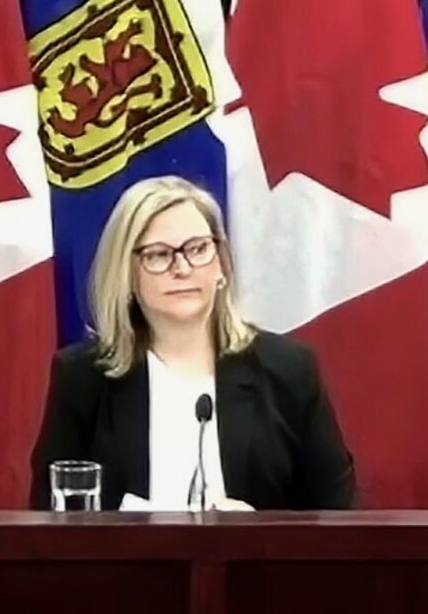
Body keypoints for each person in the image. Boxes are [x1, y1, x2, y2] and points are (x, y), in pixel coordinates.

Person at [27, 175, 355, 510]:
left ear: (221, 265)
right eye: (158, 255)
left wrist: (258, 535)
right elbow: (47, 527)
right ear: (126, 273)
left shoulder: (288, 370)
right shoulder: (83, 378)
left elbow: (338, 521)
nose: (182, 268)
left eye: (198, 249)